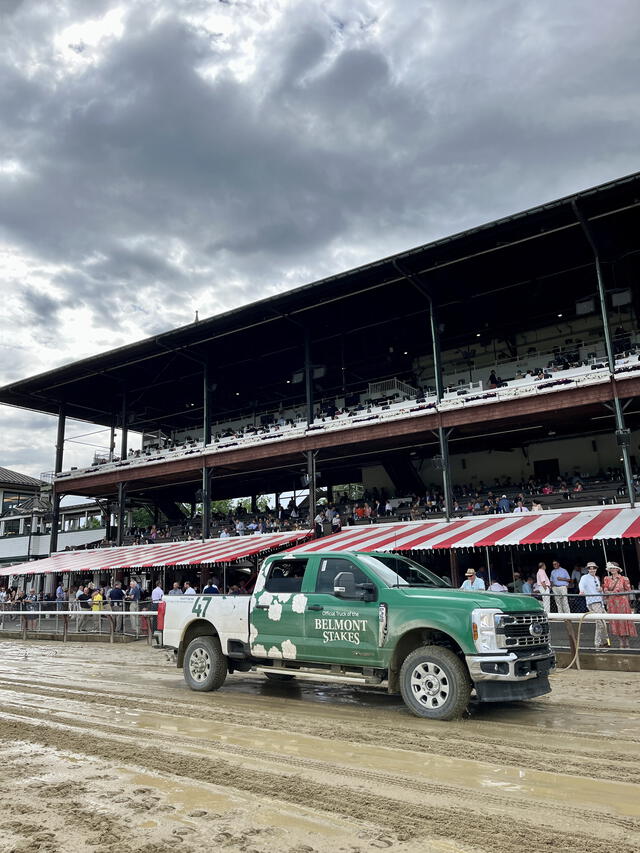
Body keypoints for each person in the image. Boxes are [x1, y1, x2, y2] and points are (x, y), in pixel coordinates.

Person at [603, 562, 637, 649]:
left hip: (623, 603)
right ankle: (621, 642)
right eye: (611, 568)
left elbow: (628, 590)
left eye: (614, 568)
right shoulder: (607, 579)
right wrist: (612, 592)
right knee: (616, 622)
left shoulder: (624, 579)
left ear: (618, 569)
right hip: (612, 604)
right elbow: (605, 590)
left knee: (624, 621)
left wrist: (620, 593)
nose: (613, 569)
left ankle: (627, 642)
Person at [579, 562, 609, 649]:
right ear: (587, 569)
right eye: (590, 568)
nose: (592, 570)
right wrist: (581, 591)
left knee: (601, 623)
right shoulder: (584, 577)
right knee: (601, 623)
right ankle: (600, 643)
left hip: (600, 602)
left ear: (596, 569)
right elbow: (581, 584)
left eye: (593, 568)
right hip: (593, 602)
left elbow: (599, 590)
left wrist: (601, 590)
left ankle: (601, 643)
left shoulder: (596, 578)